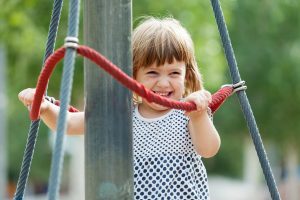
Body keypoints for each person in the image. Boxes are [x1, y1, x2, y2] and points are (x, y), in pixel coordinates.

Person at [19, 17, 220, 199]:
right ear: (133, 77)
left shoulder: (189, 113)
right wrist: (44, 107)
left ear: (187, 75)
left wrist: (199, 116)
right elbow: (70, 124)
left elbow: (209, 149)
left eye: (174, 73)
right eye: (152, 72)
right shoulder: (123, 113)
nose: (164, 83)